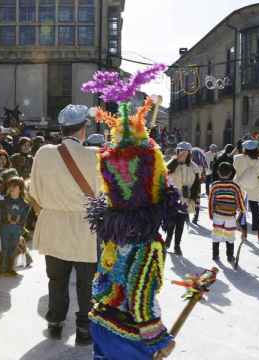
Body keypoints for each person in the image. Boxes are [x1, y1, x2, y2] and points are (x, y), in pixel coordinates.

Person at [85, 97, 176, 360]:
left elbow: (101, 282)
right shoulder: (149, 244)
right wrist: (159, 338)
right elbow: (139, 297)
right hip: (127, 335)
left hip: (101, 323)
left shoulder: (113, 234)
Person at [29, 104, 100, 346]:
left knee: (56, 279)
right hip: (86, 228)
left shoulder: (43, 153)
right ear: (83, 129)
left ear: (61, 128)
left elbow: (34, 193)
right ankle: (83, 329)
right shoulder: (96, 156)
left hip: (54, 225)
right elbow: (106, 197)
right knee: (86, 283)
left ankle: (55, 323)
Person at [166, 142, 201, 256]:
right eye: (181, 151)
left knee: (180, 223)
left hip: (185, 199)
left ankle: (177, 245)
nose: (183, 154)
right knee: (171, 222)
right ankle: (168, 240)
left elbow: (196, 185)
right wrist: (176, 160)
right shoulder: (172, 163)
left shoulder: (194, 167)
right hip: (172, 198)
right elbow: (165, 172)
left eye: (186, 152)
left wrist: (193, 199)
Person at [208, 162, 245, 262]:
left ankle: (215, 255)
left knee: (217, 234)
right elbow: (240, 199)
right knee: (230, 235)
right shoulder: (235, 186)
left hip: (218, 214)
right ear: (231, 173)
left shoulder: (215, 185)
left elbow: (211, 200)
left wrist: (211, 213)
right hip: (230, 215)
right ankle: (230, 256)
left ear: (218, 173)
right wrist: (242, 210)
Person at [234, 140, 259, 241]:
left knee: (242, 210)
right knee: (255, 211)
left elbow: (235, 167)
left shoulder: (238, 158)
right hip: (254, 188)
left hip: (240, 187)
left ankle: (244, 234)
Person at [0, 176, 30, 276]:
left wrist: (19, 223)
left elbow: (24, 219)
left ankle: (11, 267)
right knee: (4, 248)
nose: (12, 188)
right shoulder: (3, 202)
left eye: (15, 186)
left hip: (16, 229)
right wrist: (7, 219)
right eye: (10, 186)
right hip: (5, 228)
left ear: (20, 188)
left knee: (13, 248)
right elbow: (0, 215)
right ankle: (2, 268)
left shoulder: (24, 204)